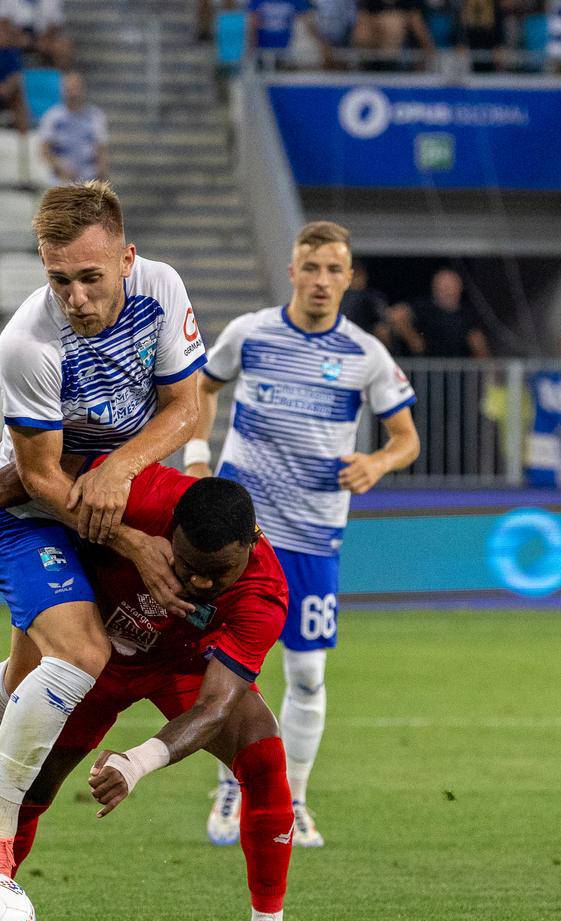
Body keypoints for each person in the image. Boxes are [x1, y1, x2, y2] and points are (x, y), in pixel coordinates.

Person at [0, 181, 205, 881]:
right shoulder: (27, 341)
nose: (76, 297)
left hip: (102, 496)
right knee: (83, 652)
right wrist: (130, 539)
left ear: (127, 258)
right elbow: (40, 478)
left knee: (29, 677)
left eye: (91, 277)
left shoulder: (163, 289)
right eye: (60, 279)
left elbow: (187, 409)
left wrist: (118, 471)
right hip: (28, 514)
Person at [0, 459, 306, 921]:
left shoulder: (264, 592)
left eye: (218, 573)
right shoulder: (141, 492)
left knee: (263, 753)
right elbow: (32, 475)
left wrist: (137, 761)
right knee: (30, 787)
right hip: (93, 656)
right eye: (186, 562)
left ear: (251, 546)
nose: (199, 582)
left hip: (185, 665)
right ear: (171, 527)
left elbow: (216, 705)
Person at [185, 221, 420, 849]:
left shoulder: (365, 355)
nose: (320, 281)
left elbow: (407, 439)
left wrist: (376, 463)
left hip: (316, 535)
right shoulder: (250, 334)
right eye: (310, 268)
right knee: (231, 669)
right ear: (292, 270)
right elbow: (202, 391)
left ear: (349, 277)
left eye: (333, 270)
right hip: (245, 536)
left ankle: (295, 800)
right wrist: (195, 458)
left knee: (309, 673)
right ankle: (234, 788)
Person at [402, 269, 491, 360]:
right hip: (424, 369)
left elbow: (479, 346)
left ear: (459, 288)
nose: (446, 292)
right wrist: (412, 338)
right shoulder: (423, 308)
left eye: (449, 287)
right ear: (434, 288)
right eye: (442, 287)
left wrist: (486, 370)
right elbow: (396, 315)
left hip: (455, 370)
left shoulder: (467, 316)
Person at [36, 73, 107, 182]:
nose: (73, 93)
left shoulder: (95, 116)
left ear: (83, 90)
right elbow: (44, 150)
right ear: (63, 90)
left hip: (88, 176)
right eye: (69, 89)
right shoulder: (52, 116)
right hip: (60, 177)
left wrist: (100, 177)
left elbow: (101, 150)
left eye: (76, 89)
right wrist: (59, 165)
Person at [246, 0, 334, 68]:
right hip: (262, 50)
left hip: (285, 50)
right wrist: (250, 49)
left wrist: (322, 44)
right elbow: (253, 26)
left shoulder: (294, 1)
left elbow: (309, 24)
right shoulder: (258, 0)